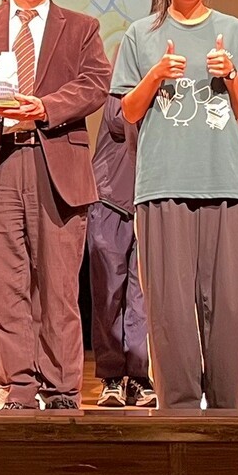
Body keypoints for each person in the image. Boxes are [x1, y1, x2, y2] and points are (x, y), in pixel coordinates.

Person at [0, 0, 111, 409]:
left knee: (59, 287)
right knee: (5, 286)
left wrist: (45, 107)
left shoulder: (81, 27)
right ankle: (20, 386)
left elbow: (95, 84)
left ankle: (62, 387)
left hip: (56, 165)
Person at [112, 0, 238, 410]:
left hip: (225, 181)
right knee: (170, 303)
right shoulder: (140, 33)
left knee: (229, 302)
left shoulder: (233, 30)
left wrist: (230, 74)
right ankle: (177, 404)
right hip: (163, 181)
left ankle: (225, 404)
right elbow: (127, 112)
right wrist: (155, 74)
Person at [86, 95, 155, 408]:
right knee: (109, 291)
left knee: (142, 294)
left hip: (149, 198)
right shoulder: (124, 79)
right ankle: (111, 375)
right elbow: (120, 119)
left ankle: (139, 376)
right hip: (111, 196)